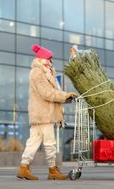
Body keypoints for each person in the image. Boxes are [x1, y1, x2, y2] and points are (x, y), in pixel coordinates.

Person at [17, 44, 77, 180]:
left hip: (40, 113)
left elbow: (51, 93)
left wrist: (65, 97)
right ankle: (52, 170)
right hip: (44, 114)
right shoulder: (38, 72)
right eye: (49, 58)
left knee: (33, 142)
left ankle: (24, 167)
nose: (51, 61)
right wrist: (64, 95)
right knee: (50, 143)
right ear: (43, 59)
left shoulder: (46, 71)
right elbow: (46, 93)